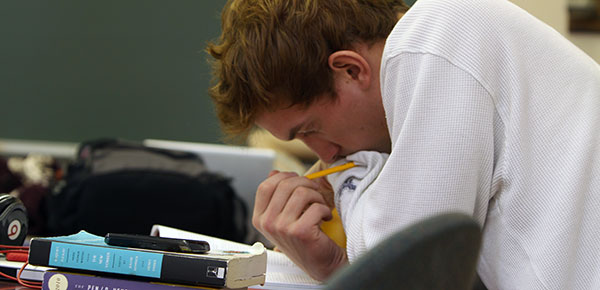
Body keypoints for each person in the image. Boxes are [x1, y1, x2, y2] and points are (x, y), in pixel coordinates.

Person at [206, 0, 600, 289]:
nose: (324, 154)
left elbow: (406, 275)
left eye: (310, 130)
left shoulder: (436, 33)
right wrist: (334, 262)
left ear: (349, 69)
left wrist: (346, 193)